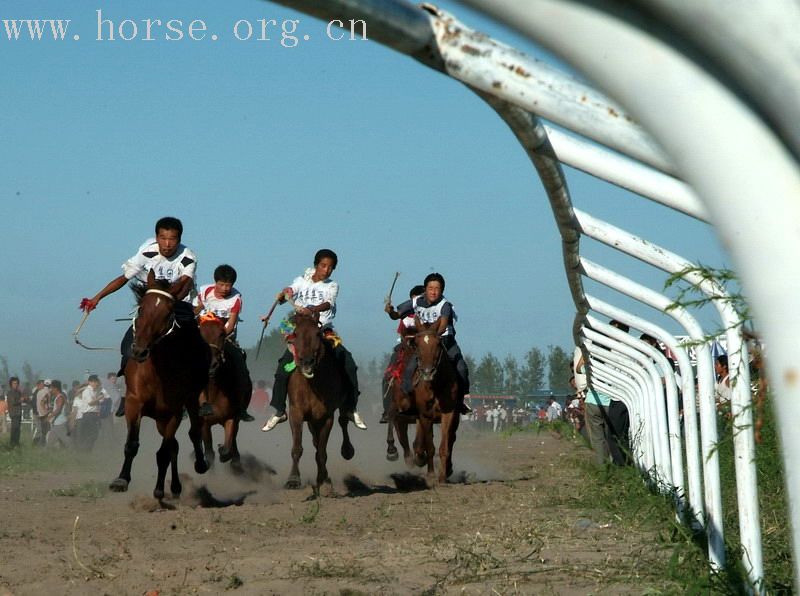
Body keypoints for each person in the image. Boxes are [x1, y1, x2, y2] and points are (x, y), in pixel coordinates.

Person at [81, 216, 198, 416]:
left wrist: (168, 304)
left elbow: (184, 284)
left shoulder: (188, 257)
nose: (167, 244)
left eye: (173, 239)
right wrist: (97, 297)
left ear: (179, 239)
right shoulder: (146, 252)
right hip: (151, 302)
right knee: (128, 345)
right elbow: (123, 278)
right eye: (163, 238)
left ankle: (195, 396)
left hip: (178, 302)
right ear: (157, 237)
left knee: (196, 346)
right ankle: (129, 391)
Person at [261, 249, 367, 432]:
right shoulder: (301, 280)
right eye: (323, 266)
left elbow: (328, 303)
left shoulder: (332, 286)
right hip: (301, 334)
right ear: (316, 265)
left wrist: (312, 309)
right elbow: (290, 290)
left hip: (323, 332)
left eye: (331, 268)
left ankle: (350, 407)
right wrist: (283, 293)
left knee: (348, 363)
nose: (326, 270)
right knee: (283, 368)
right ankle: (279, 410)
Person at [390, 273, 471, 412]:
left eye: (437, 288)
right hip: (425, 343)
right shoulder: (416, 301)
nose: (433, 291)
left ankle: (460, 401)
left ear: (442, 290)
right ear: (425, 289)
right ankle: (408, 401)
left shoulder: (445, 305)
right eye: (430, 288)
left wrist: (431, 338)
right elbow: (396, 315)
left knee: (462, 368)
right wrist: (390, 311)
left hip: (445, 341)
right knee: (408, 371)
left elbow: (443, 325)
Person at [194, 264, 254, 421]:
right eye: (221, 284)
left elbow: (231, 324)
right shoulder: (205, 292)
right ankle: (187, 404)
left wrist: (219, 336)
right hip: (203, 339)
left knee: (240, 364)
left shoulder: (236, 299)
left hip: (224, 339)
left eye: (228, 285)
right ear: (215, 282)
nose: (225, 288)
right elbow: (195, 311)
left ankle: (241, 408)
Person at [379, 284, 425, 423]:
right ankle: (387, 410)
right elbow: (396, 319)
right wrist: (390, 311)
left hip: (424, 346)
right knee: (388, 376)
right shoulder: (405, 315)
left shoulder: (429, 312)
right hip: (405, 346)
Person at [72, 374, 108, 452]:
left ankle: (86, 449)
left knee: (93, 434)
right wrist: (99, 398)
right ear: (90, 382)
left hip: (93, 415)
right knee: (92, 434)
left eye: (97, 382)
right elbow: (90, 403)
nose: (96, 384)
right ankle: (85, 449)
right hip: (89, 415)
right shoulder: (87, 391)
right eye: (94, 382)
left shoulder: (94, 391)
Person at [46, 380, 70, 448]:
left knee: (67, 442)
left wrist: (49, 416)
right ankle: (44, 453)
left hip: (60, 424)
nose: (51, 390)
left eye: (51, 388)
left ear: (55, 388)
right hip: (57, 423)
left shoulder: (60, 397)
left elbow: (58, 410)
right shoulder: (59, 397)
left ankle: (75, 452)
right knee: (50, 441)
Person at [5, 377, 23, 448]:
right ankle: (12, 444)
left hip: (18, 413)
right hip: (14, 413)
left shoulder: (18, 392)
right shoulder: (10, 392)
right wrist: (20, 400)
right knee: (14, 429)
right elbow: (13, 402)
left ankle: (16, 443)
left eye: (17, 383)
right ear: (11, 384)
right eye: (14, 383)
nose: (16, 385)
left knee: (18, 429)